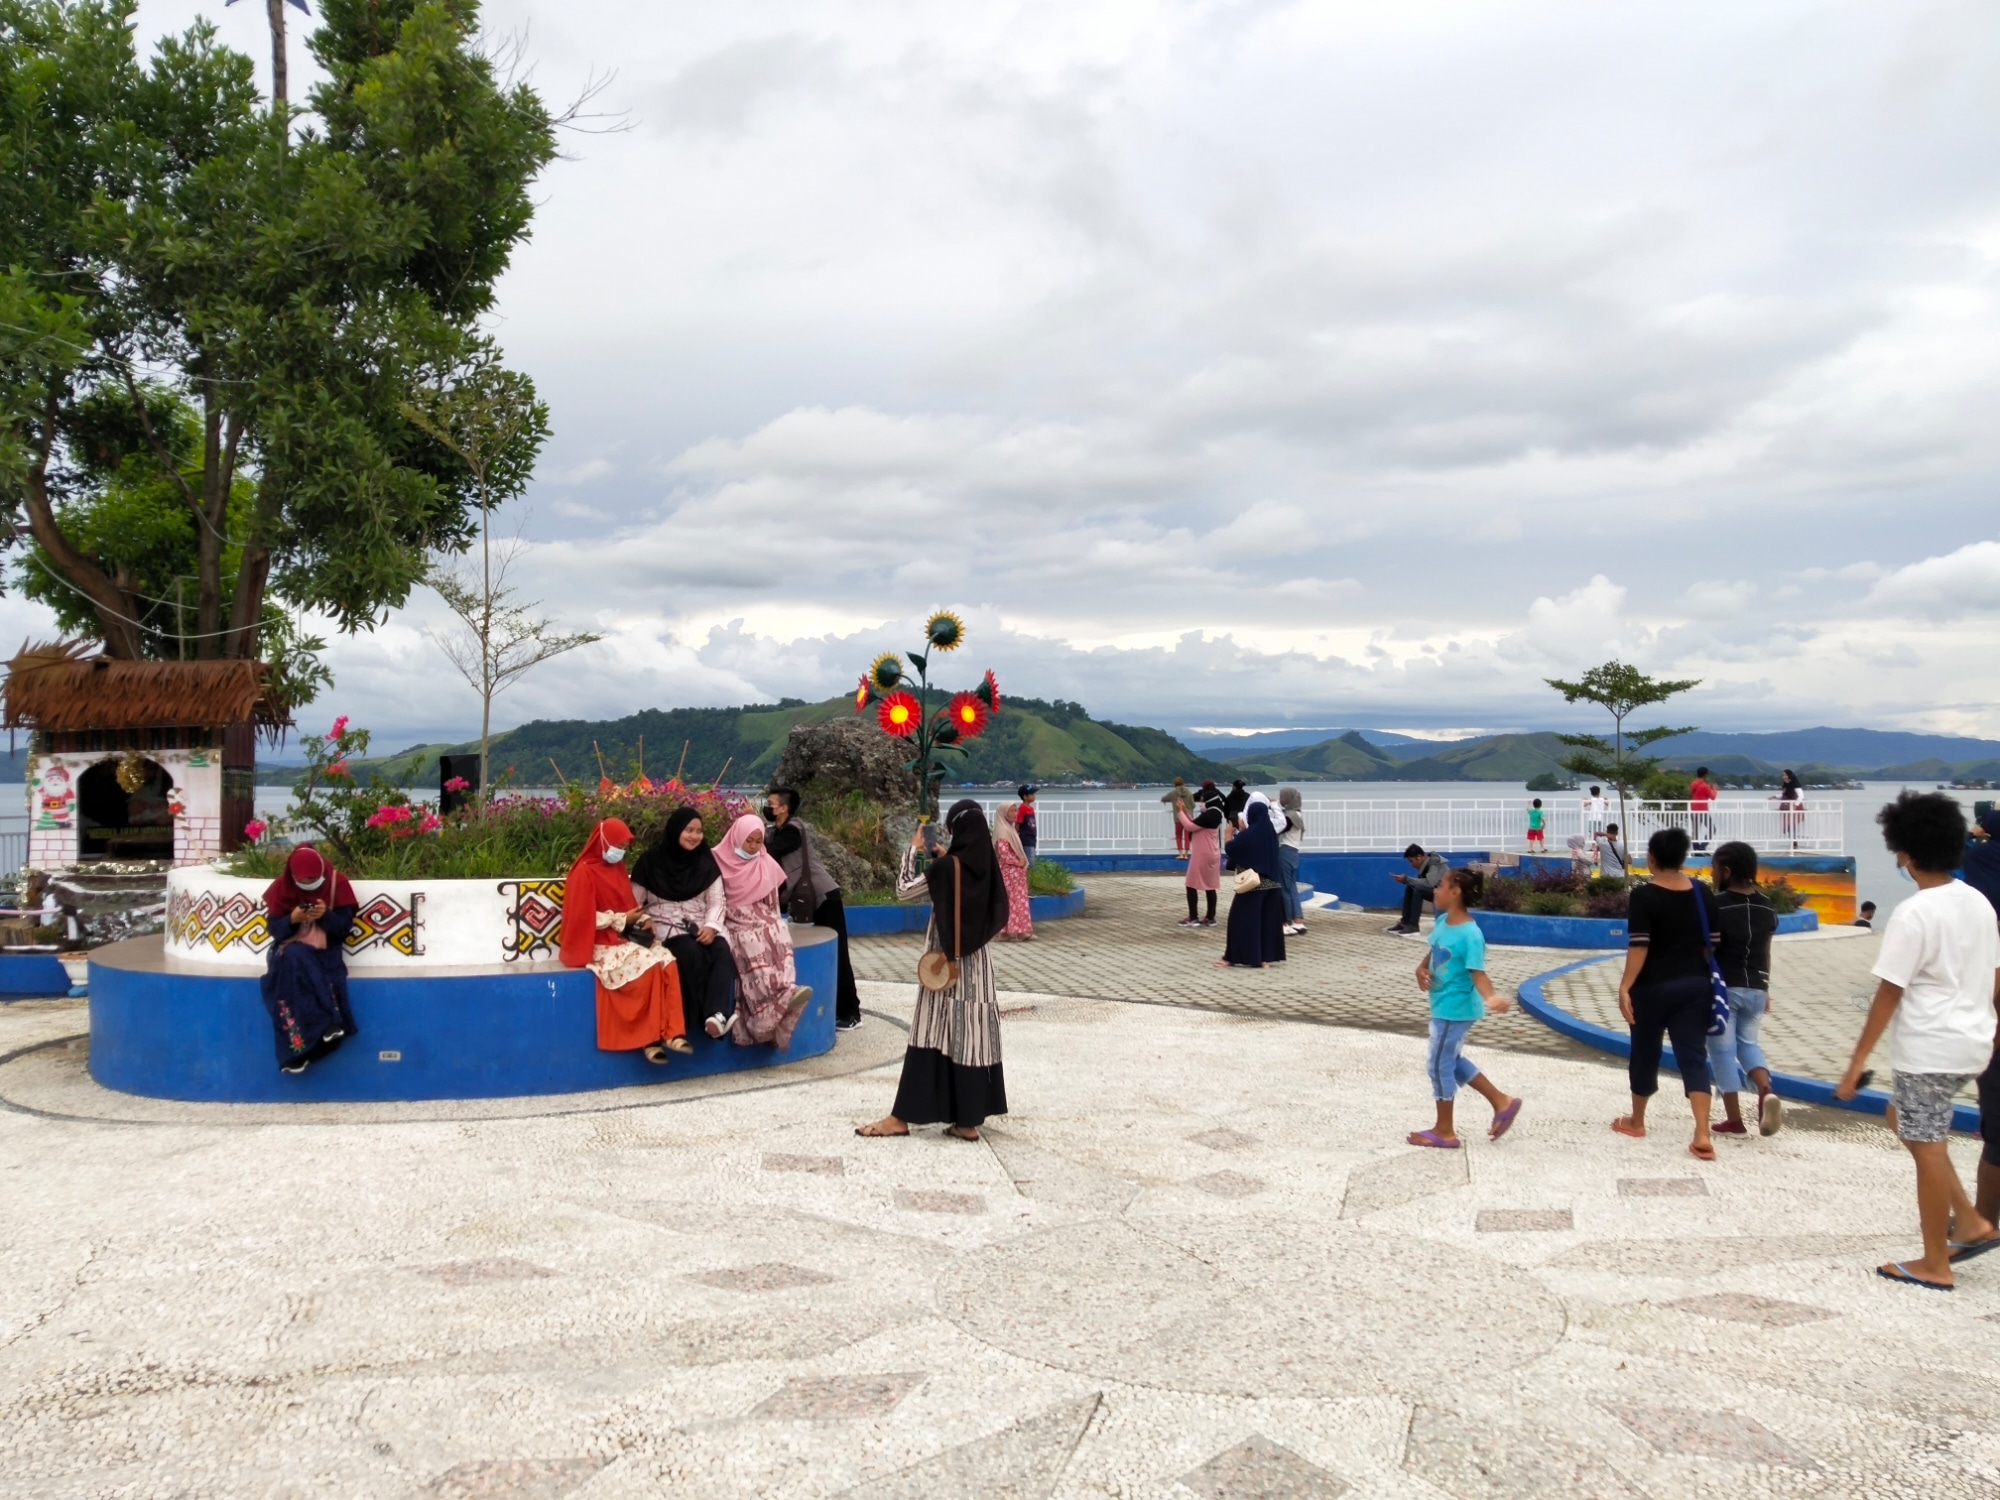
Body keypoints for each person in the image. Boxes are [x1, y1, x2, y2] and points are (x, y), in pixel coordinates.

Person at [1835, 792, 2000, 1290]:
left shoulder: (1913, 912)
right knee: (1900, 1115)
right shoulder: (1978, 902)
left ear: (1903, 853)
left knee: (1927, 1145)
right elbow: (1994, 979)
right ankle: (1970, 1220)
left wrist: (1857, 1058)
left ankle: (1936, 1264)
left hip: (1930, 1047)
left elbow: (1888, 993)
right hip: (1974, 1043)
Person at [857, 799, 1011, 1141]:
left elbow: (903, 891)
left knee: (930, 1033)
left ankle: (901, 1118)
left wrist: (912, 852)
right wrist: (946, 861)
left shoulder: (945, 870)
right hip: (978, 969)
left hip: (944, 966)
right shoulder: (986, 867)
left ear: (954, 830)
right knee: (971, 1038)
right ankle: (967, 1122)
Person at [1613, 826, 1719, 1161]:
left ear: (1652, 858)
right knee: (1693, 1055)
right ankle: (1702, 1131)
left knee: (1645, 1051)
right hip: (1695, 986)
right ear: (1684, 857)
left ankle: (1637, 1121)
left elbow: (1639, 946)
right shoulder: (1703, 893)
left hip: (1652, 987)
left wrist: (1625, 986)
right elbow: (1712, 945)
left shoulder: (1644, 896)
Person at [560, 818, 692, 1064]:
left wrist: (643, 920)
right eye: (618, 844)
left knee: (667, 961)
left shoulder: (617, 869)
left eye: (624, 846)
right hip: (598, 942)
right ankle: (649, 1039)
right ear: (604, 842)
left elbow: (629, 904)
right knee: (649, 965)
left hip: (622, 937)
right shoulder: (583, 873)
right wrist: (622, 919)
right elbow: (581, 917)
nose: (620, 851)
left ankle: (673, 1032)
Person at [1408, 868, 1523, 1148]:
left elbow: (1477, 972)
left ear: (1455, 891)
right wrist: (1421, 968)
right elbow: (1436, 948)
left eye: (1440, 886)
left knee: (1438, 1065)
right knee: (1452, 1060)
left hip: (1455, 1009)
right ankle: (1501, 1101)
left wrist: (1491, 997)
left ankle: (1445, 1130)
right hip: (1443, 1005)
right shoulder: (1445, 920)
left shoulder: (1471, 935)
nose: (1435, 890)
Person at [631, 807, 739, 1040]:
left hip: (702, 924)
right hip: (668, 927)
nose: (695, 836)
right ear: (675, 830)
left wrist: (711, 926)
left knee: (721, 949)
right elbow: (634, 903)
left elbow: (717, 901)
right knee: (690, 951)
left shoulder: (705, 861)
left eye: (699, 831)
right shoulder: (650, 862)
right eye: (688, 830)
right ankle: (696, 1018)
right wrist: (644, 919)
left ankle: (717, 1015)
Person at [764, 787, 860, 1030]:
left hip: (823, 897)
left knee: (839, 955)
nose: (767, 807)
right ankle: (839, 1008)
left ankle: (851, 1013)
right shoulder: (778, 831)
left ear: (784, 808)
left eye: (771, 803)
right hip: (809, 898)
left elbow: (770, 849)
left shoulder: (793, 830)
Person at [715, 813, 813, 1049]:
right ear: (737, 837)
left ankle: (785, 992)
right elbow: (715, 900)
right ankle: (765, 1013)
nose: (752, 847)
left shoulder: (765, 862)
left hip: (761, 916)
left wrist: (771, 921)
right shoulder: (717, 860)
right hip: (734, 918)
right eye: (749, 840)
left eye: (758, 842)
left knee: (778, 931)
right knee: (751, 942)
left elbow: (773, 904)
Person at [1705, 841, 1782, 1139]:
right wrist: (1765, 988)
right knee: (1748, 1044)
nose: (1712, 875)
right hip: (1757, 986)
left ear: (1726, 871)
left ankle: (1734, 1121)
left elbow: (1708, 950)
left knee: (1722, 1051)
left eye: (1714, 869)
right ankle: (1765, 1091)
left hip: (1725, 988)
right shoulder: (1767, 906)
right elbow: (1766, 949)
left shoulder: (1718, 905)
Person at [259, 846, 359, 1075]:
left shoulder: (337, 884)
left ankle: (296, 1055)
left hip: (325, 951)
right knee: (292, 960)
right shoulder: (281, 889)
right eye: (303, 881)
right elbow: (276, 931)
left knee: (298, 963)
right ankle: (328, 1024)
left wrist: (325, 916)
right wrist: (292, 919)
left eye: (313, 879)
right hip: (290, 951)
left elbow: (343, 929)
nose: (309, 884)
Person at [1218, 801, 1286, 968]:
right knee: (1266, 922)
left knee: (1241, 920)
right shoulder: (1270, 832)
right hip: (1273, 884)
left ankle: (1233, 957)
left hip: (1254, 885)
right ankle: (1264, 958)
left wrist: (1228, 836)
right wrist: (1243, 833)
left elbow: (1234, 850)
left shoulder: (1250, 834)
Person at [1178, 788, 1224, 927]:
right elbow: (1196, 823)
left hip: (1202, 854)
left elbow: (1190, 826)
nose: (1201, 803)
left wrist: (1180, 812)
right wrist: (1185, 811)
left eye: (1202, 801)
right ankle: (1210, 918)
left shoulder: (1209, 815)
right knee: (1210, 886)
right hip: (1213, 854)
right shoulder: (1214, 814)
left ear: (1208, 802)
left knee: (1191, 884)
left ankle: (1193, 917)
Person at [993, 801, 1035, 940]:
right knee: (1015, 901)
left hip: (1014, 871)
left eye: (1015, 811)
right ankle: (1017, 931)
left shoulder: (1010, 829)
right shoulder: (1003, 831)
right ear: (1004, 813)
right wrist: (1018, 862)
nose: (1014, 814)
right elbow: (1003, 852)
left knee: (1016, 901)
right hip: (1009, 871)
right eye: (1011, 811)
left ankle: (1010, 931)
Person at [1387, 844, 1447, 935]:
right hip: (1438, 891)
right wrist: (1406, 881)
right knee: (1411, 886)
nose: (1411, 865)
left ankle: (1413, 926)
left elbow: (1429, 883)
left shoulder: (1434, 864)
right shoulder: (1427, 864)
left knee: (1418, 889)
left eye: (1412, 861)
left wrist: (1407, 879)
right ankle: (1405, 922)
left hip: (1445, 894)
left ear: (1419, 857)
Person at [1277, 786, 1307, 936]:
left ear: (1288, 799)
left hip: (1285, 852)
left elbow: (1279, 829)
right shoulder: (1297, 814)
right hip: (1294, 852)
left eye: (1282, 797)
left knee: (1284, 889)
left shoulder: (1288, 816)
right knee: (1292, 888)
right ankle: (1298, 921)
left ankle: (1286, 921)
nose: (1280, 799)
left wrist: (1274, 807)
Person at [1689, 767, 1717, 852]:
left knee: (1696, 831)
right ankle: (1702, 847)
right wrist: (1714, 789)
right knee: (1712, 829)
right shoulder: (1704, 786)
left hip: (1693, 809)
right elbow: (1713, 797)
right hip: (1702, 810)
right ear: (1705, 775)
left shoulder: (1693, 784)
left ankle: (1696, 850)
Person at [1164, 777, 1193, 859]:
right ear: (1183, 783)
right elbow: (1193, 805)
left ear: (1175, 784)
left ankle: (1180, 854)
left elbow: (1164, 799)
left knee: (1178, 835)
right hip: (1188, 817)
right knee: (1187, 836)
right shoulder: (1189, 792)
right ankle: (1186, 854)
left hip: (1178, 817)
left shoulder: (1173, 793)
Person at [1777, 768, 1804, 848]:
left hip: (1794, 807)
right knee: (1789, 825)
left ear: (1789, 776)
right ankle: (1793, 841)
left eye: (1785, 775)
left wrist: (1795, 804)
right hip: (1787, 807)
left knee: (1792, 824)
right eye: (1783, 775)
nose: (1783, 777)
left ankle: (1794, 842)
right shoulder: (1786, 784)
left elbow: (1801, 796)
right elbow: (1784, 795)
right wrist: (1774, 796)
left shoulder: (1795, 784)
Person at [1015, 785, 1038, 863]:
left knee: (1031, 860)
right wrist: (1015, 836)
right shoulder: (1022, 809)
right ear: (1025, 796)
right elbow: (1018, 823)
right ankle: (1025, 875)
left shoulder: (1031, 809)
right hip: (1026, 839)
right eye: (1031, 794)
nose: (1034, 796)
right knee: (1029, 862)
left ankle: (1027, 875)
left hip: (1032, 838)